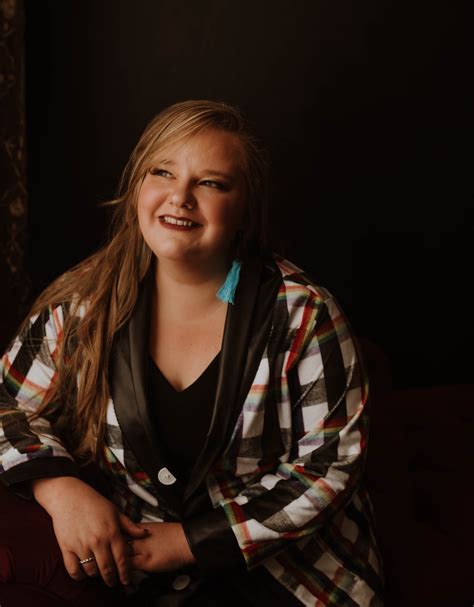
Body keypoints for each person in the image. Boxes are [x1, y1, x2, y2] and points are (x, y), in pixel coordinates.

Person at [0, 99, 384, 606]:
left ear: (245, 209)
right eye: (163, 172)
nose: (180, 197)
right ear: (138, 186)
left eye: (211, 183)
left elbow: (331, 466)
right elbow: (6, 405)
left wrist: (190, 543)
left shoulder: (303, 315)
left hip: (292, 578)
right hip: (137, 578)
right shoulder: (83, 307)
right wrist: (59, 488)